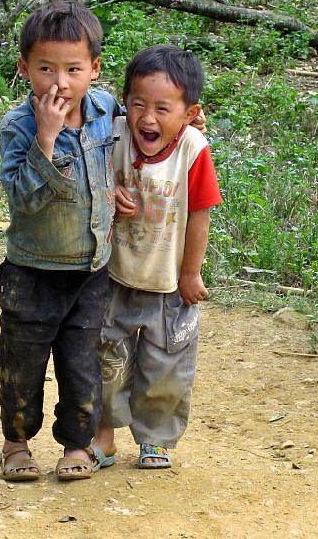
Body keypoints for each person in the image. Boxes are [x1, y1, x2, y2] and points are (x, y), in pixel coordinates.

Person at [0, 1, 123, 481]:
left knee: (81, 366)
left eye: (73, 69)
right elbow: (22, 199)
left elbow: (134, 135)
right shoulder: (20, 126)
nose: (59, 83)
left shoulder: (104, 108)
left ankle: (76, 445)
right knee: (22, 366)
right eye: (46, 69)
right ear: (25, 68)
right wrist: (45, 140)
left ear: (93, 68)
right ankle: (15, 443)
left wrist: (178, 127)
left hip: (89, 271)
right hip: (31, 271)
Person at [91, 45, 222, 470]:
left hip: (167, 284)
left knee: (165, 365)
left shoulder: (193, 148)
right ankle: (103, 438)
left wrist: (191, 272)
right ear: (124, 102)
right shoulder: (112, 135)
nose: (147, 119)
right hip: (114, 275)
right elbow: (93, 183)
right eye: (138, 105)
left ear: (189, 113)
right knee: (106, 358)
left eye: (163, 109)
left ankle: (156, 439)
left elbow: (200, 214)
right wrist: (112, 195)